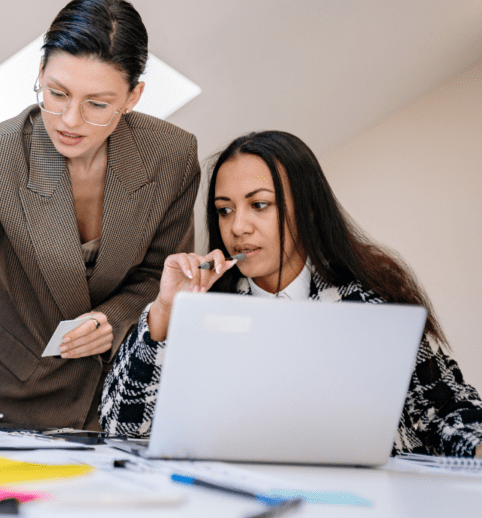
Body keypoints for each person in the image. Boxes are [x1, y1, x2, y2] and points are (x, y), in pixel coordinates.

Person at [0, 0, 200, 430]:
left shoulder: (171, 156)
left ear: (134, 96)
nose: (69, 120)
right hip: (5, 388)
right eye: (56, 94)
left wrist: (111, 319)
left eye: (97, 104)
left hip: (117, 392)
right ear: (40, 72)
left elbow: (161, 274)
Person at [100, 130, 482, 457]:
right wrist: (166, 310)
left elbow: (442, 411)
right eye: (225, 210)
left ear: (310, 211)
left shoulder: (367, 303)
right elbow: (120, 427)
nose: (238, 227)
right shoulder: (204, 308)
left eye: (259, 205)